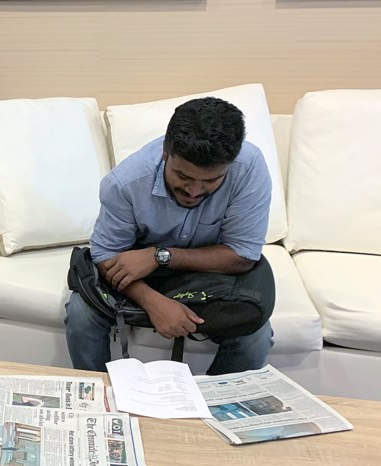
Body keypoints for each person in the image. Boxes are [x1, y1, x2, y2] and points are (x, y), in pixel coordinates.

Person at [65, 97, 273, 375]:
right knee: (80, 315)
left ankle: (210, 412)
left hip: (209, 269)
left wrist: (160, 257)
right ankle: (100, 406)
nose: (194, 191)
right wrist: (152, 301)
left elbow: (243, 255)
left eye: (211, 180)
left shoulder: (248, 167)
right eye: (183, 176)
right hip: (136, 268)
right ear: (165, 152)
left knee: (255, 337)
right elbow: (105, 255)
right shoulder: (125, 183)